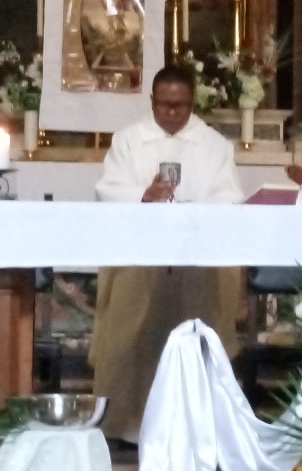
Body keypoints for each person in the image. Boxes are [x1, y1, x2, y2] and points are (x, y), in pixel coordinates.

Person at [90, 65, 243, 444]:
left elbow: (229, 199)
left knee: (197, 335)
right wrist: (144, 195)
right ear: (152, 101)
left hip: (195, 263)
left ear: (192, 103)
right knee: (132, 337)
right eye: (164, 105)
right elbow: (108, 189)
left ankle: (196, 429)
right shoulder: (129, 140)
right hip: (139, 261)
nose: (172, 112)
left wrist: (188, 210)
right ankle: (129, 424)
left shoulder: (214, 145)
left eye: (181, 105)